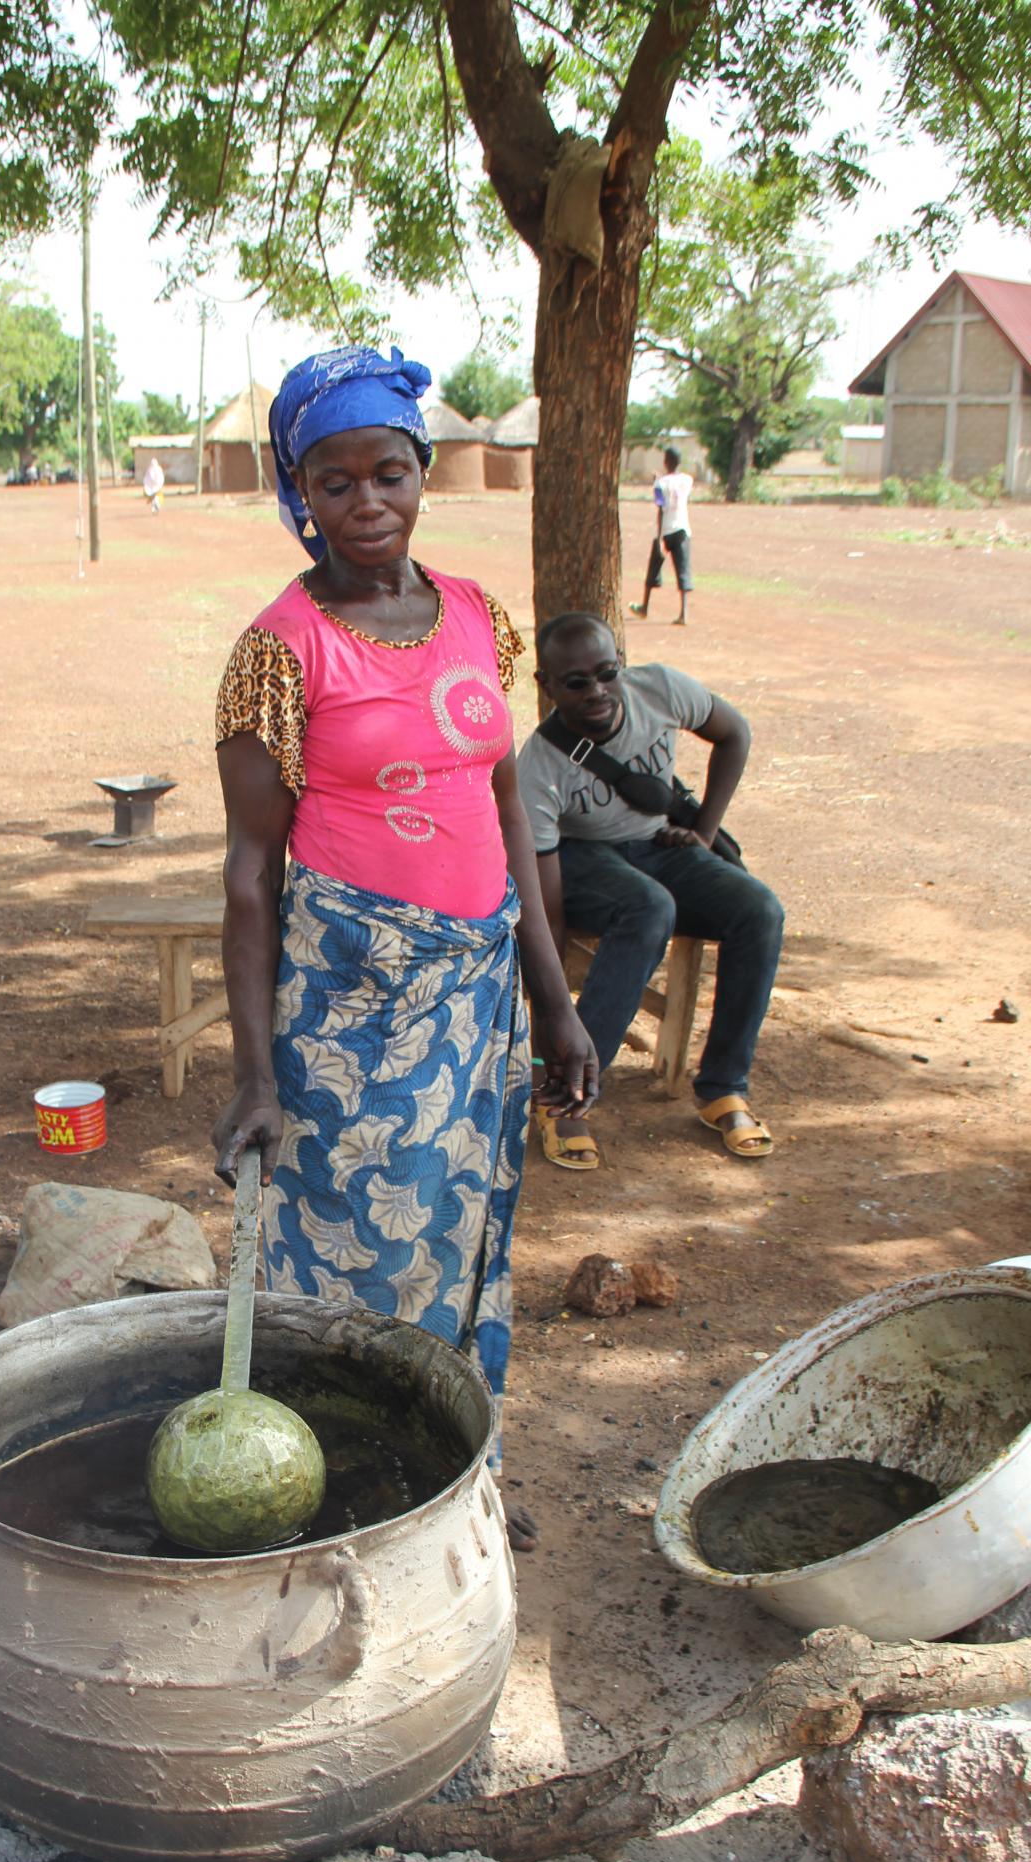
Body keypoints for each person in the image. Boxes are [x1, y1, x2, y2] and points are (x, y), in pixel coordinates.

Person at [212, 344, 596, 1486]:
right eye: (335, 483)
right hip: (349, 1011)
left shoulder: (480, 615)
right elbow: (248, 875)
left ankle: (451, 1471)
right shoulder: (280, 653)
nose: (366, 503)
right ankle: (338, 1478)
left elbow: (507, 812)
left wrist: (556, 1001)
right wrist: (256, 1073)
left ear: (423, 471)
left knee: (472, 1241)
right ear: (300, 496)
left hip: (478, 1002)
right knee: (355, 1257)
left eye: (388, 472)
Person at [516, 611, 783, 1170]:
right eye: (576, 682)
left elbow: (734, 733)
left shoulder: (660, 689)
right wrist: (547, 1041)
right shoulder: (538, 767)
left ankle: (723, 1087)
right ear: (546, 687)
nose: (597, 691)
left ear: (622, 667)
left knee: (758, 909)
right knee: (647, 908)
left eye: (607, 673)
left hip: (659, 844)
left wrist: (704, 833)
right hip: (579, 857)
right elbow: (548, 911)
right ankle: (568, 1096)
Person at [630, 446, 693, 625]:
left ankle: (644, 607)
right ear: (679, 462)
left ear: (665, 461)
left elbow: (660, 507)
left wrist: (658, 539)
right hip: (683, 530)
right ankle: (684, 613)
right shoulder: (688, 480)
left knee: (653, 569)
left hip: (665, 531)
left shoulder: (660, 484)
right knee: (683, 570)